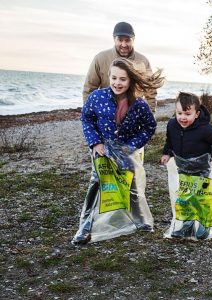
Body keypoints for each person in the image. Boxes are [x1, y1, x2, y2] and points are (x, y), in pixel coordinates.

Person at [73, 57, 164, 245]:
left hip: (126, 152)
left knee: (131, 186)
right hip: (102, 152)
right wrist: (95, 143)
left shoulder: (139, 104)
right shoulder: (97, 97)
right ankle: (85, 226)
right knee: (96, 185)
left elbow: (149, 126)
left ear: (130, 80)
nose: (117, 83)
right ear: (109, 77)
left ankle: (140, 220)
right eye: (114, 78)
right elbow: (87, 119)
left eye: (122, 79)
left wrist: (131, 146)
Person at [83, 21, 159, 112]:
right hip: (106, 114)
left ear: (133, 40)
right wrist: (89, 115)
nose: (124, 44)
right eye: (120, 40)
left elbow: (151, 93)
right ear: (114, 39)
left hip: (133, 116)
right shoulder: (100, 58)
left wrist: (150, 116)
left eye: (127, 40)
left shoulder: (143, 61)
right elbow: (89, 89)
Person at [160, 92, 212, 166]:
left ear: (197, 114)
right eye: (179, 113)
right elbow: (169, 141)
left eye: (187, 114)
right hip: (180, 165)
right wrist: (167, 154)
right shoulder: (172, 125)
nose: (183, 117)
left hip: (201, 166)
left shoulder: (204, 128)